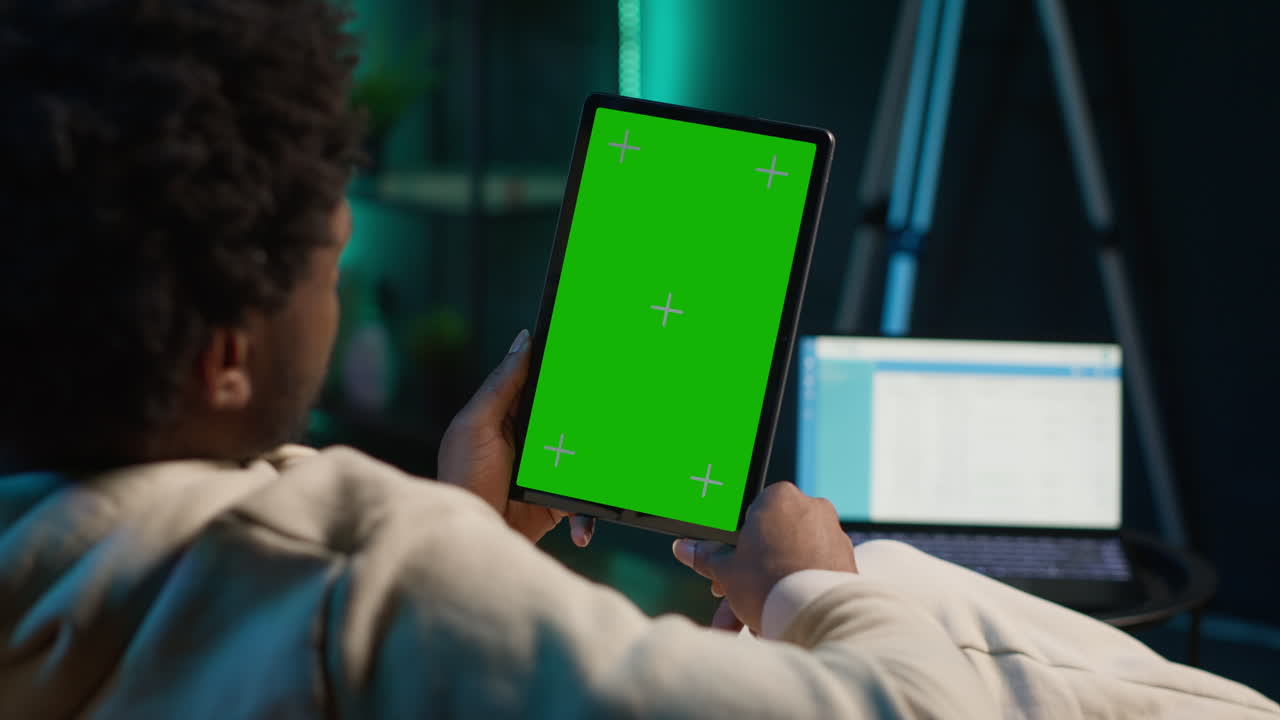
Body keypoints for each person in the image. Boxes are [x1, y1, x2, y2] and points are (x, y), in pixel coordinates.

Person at [0, 0, 1275, 717]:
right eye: (328, 264)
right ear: (227, 357)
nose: (334, 299)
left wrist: (467, 526)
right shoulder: (354, 583)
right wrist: (817, 588)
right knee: (896, 578)